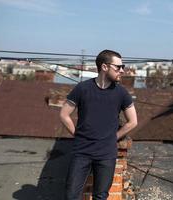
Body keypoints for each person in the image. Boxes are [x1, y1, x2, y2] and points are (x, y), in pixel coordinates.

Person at [60, 49, 138, 200]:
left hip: (106, 154)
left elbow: (133, 121)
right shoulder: (82, 88)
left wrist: (113, 137)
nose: (122, 71)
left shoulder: (121, 93)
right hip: (81, 152)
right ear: (104, 67)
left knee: (101, 196)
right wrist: (77, 134)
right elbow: (64, 114)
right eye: (118, 67)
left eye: (123, 67)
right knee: (71, 195)